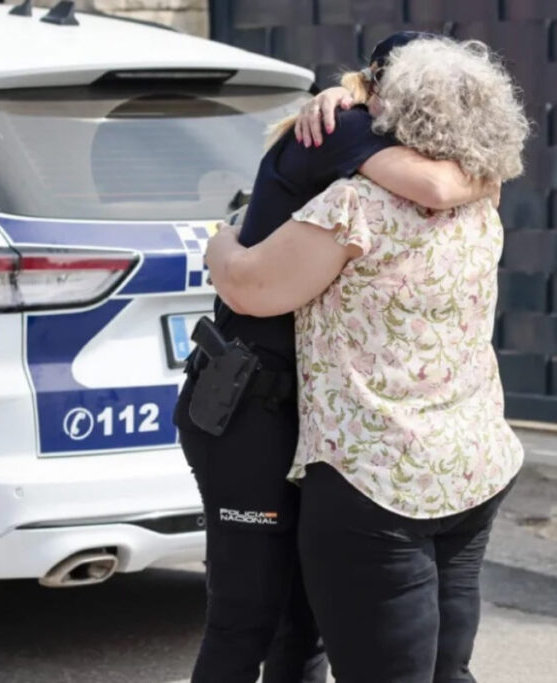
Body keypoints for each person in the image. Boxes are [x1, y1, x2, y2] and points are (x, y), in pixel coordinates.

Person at [174, 30, 503, 683]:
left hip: (329, 424)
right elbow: (249, 286)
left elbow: (455, 179)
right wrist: (221, 246)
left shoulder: (439, 172)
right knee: (249, 619)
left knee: (308, 623)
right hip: (255, 409)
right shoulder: (345, 134)